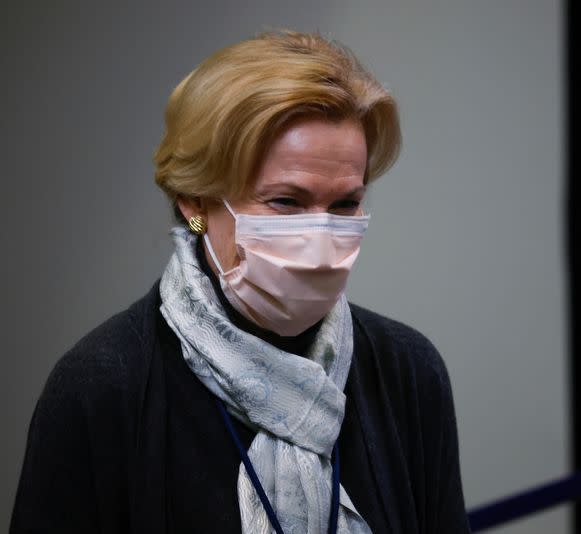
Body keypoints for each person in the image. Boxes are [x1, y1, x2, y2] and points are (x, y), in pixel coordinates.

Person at [11, 30, 471, 534]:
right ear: (195, 200)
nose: (318, 238)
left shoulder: (407, 373)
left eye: (344, 205)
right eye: (285, 203)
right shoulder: (103, 387)